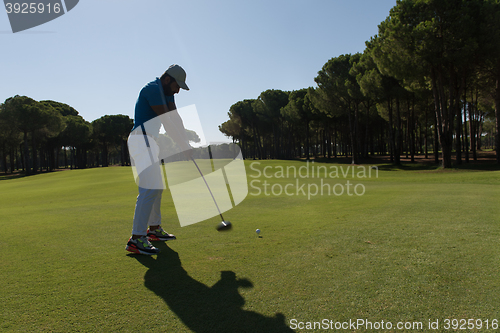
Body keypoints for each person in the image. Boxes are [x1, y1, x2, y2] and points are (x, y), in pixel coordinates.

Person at [126, 64, 192, 255]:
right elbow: (167, 121)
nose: (178, 90)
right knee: (149, 189)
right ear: (167, 79)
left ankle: (154, 230)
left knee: (158, 187)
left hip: (149, 142)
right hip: (141, 139)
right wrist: (182, 145)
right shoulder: (153, 89)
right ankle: (137, 239)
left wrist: (185, 142)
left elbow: (176, 118)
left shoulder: (167, 93)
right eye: (176, 85)